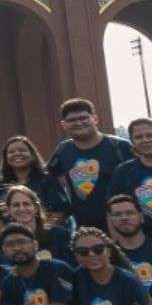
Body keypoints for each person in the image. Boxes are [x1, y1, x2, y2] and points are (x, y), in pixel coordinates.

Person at [48, 97, 135, 230]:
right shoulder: (63, 150)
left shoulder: (120, 147)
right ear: (63, 125)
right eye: (72, 120)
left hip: (123, 226)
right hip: (84, 228)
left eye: (84, 118)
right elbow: (46, 177)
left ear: (95, 118)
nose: (78, 123)